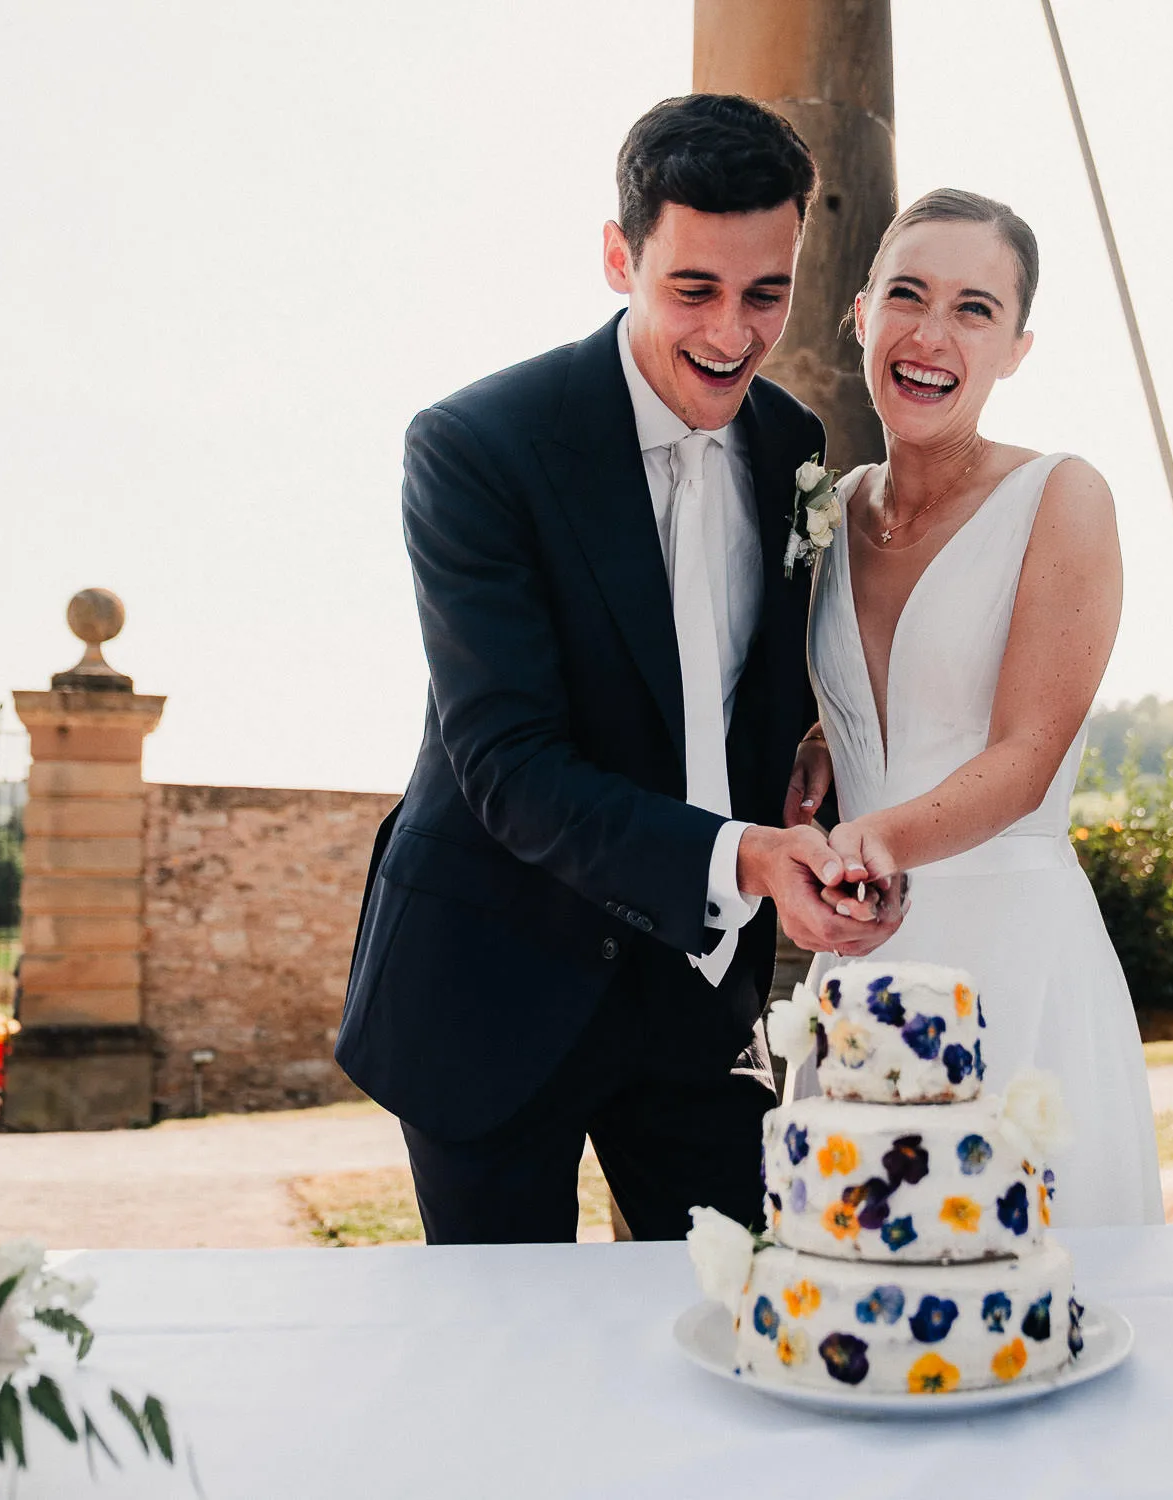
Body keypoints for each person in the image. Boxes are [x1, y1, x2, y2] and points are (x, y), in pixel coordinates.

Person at [338, 95, 904, 1246]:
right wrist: (744, 856)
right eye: (694, 289)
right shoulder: (476, 447)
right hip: (492, 984)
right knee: (511, 1344)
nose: (734, 333)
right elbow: (507, 763)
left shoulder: (792, 446)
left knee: (748, 1309)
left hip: (696, 1005)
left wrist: (813, 771)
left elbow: (738, 690)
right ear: (618, 257)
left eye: (767, 293)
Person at [784, 189, 1162, 1227]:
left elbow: (1028, 754)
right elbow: (896, 699)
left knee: (1023, 1275)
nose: (931, 335)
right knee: (851, 1282)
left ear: (1017, 348)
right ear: (861, 314)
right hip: (860, 954)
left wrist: (859, 848)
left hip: (1015, 955)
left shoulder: (1062, 496)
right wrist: (821, 740)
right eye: (907, 296)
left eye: (975, 309)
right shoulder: (830, 511)